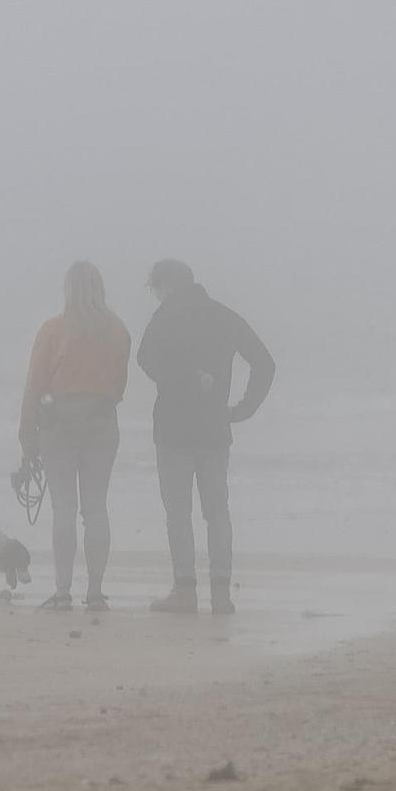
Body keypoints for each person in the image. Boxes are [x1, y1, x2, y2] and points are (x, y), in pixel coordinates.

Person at [136, 259, 275, 615]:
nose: (156, 296)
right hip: (215, 427)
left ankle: (184, 591)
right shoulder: (224, 316)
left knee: (178, 513)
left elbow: (145, 360)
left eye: (155, 289)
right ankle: (220, 593)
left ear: (166, 285)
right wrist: (243, 408)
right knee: (217, 512)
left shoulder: (165, 317)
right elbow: (264, 363)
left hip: (172, 429)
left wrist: (180, 377)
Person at [19, 261, 131, 611]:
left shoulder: (52, 330)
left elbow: (35, 384)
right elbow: (119, 384)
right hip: (101, 419)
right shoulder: (117, 329)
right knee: (96, 507)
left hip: (59, 423)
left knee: (63, 507)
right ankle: (95, 592)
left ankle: (63, 591)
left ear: (67, 289)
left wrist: (27, 436)